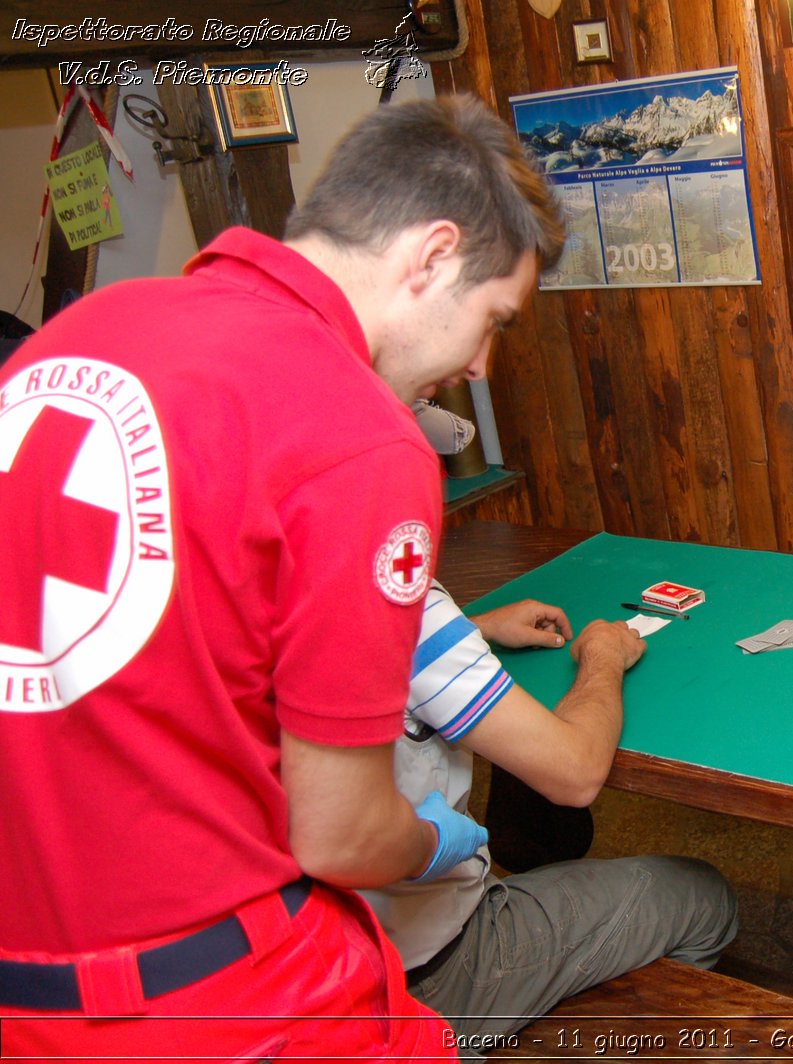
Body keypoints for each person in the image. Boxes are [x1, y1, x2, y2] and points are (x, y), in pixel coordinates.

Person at [0, 96, 559, 1058]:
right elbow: (339, 838)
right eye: (491, 319)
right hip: (218, 992)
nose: (478, 364)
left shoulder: (81, 330)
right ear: (430, 257)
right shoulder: (360, 436)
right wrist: (433, 841)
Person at [364, 421, 737, 1051]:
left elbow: (378, 657)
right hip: (420, 977)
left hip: (308, 961)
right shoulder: (393, 590)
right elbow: (574, 775)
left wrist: (471, 629)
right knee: (705, 897)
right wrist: (603, 657)